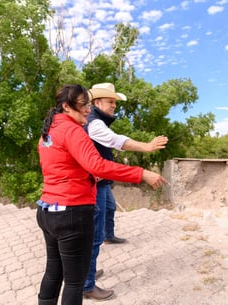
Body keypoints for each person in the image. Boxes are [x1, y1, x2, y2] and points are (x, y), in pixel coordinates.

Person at [36, 84, 167, 305]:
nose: (88, 109)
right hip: (72, 213)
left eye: (88, 104)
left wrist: (84, 175)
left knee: (53, 273)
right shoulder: (73, 130)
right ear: (67, 106)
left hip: (47, 210)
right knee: (75, 283)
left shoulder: (48, 131)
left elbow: (58, 165)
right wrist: (141, 173)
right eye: (83, 105)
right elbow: (97, 164)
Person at [82, 83, 168, 300]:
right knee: (93, 236)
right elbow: (117, 141)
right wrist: (146, 146)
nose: (114, 106)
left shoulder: (95, 120)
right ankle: (86, 284)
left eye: (114, 102)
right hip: (96, 183)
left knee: (107, 212)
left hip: (102, 182)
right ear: (97, 102)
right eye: (111, 102)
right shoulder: (94, 123)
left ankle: (92, 263)